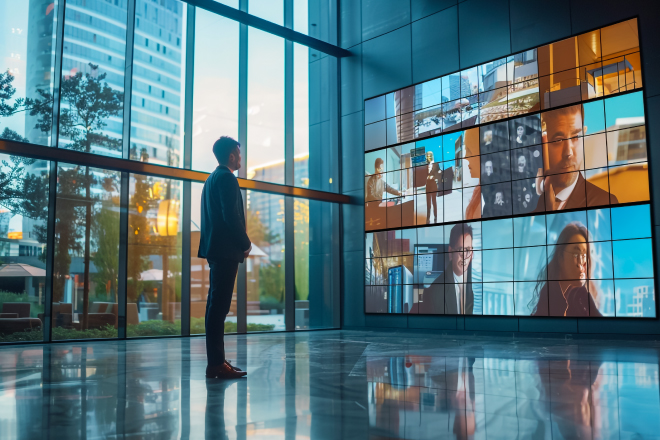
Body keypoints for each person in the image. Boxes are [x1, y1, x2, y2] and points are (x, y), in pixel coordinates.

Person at [198, 136, 250, 379]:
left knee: (214, 306)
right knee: (219, 308)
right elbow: (231, 217)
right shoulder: (227, 178)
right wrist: (246, 243)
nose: (241, 158)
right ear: (231, 156)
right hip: (226, 251)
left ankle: (217, 361)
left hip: (215, 250)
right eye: (238, 154)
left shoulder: (210, 179)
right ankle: (216, 364)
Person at [534, 105, 618, 212]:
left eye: (576, 137)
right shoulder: (533, 206)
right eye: (558, 140)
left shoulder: (605, 202)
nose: (568, 152)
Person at [529, 222, 602, 317]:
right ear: (560, 257)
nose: (582, 263)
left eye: (585, 255)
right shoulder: (548, 297)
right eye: (577, 254)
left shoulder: (580, 299)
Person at [444, 224, 474, 314]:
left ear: (472, 254)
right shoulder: (435, 292)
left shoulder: (474, 285)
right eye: (461, 250)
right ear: (450, 252)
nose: (464, 256)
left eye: (468, 251)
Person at [424, 152, 441, 223]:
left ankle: (435, 217)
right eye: (427, 155)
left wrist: (434, 176)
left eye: (429, 155)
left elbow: (439, 172)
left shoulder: (436, 164)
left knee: (434, 202)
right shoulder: (425, 165)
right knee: (428, 202)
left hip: (433, 184)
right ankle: (428, 218)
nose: (428, 157)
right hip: (428, 184)